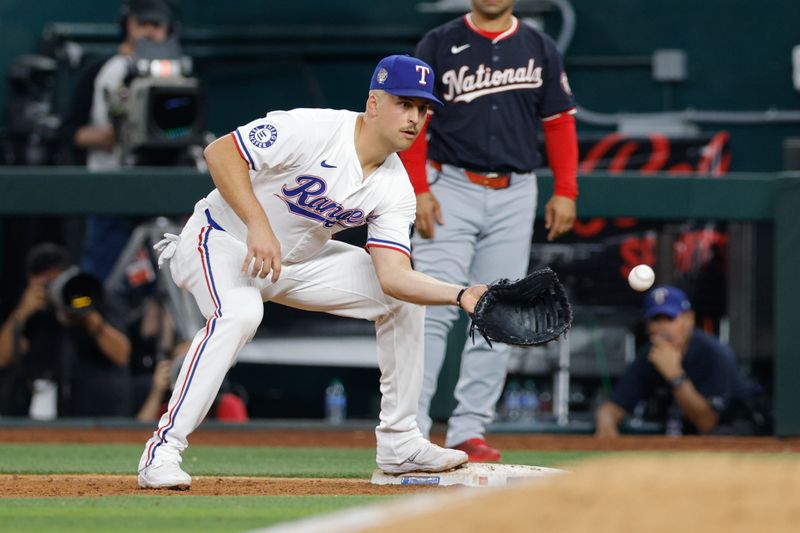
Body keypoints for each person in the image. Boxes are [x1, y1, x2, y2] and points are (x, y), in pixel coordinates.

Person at [136, 54, 493, 490]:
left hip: (293, 263)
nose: (415, 118)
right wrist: (257, 223)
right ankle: (163, 450)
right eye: (405, 104)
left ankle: (400, 442)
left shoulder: (396, 186)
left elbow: (394, 275)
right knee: (241, 313)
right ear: (375, 103)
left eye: (423, 109)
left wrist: (462, 295)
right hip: (219, 240)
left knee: (403, 299)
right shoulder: (315, 129)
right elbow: (221, 152)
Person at [399, 0, 578, 461]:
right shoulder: (438, 42)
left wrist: (566, 190)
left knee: (501, 311)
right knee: (431, 310)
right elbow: (415, 119)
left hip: (515, 190)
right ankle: (410, 432)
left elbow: (559, 123)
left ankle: (468, 430)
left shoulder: (539, 46)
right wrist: (418, 187)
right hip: (449, 185)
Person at [61, 0, 173, 281]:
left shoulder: (177, 73)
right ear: (127, 26)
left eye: (156, 25)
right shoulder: (102, 71)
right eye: (142, 24)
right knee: (102, 274)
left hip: (161, 191)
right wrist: (113, 136)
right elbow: (69, 132)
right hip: (112, 191)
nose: (149, 32)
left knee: (167, 279)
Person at [594, 285, 755, 437]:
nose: (662, 327)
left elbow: (707, 424)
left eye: (669, 319)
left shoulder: (713, 353)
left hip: (739, 436)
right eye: (656, 320)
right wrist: (606, 421)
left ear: (689, 319)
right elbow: (617, 404)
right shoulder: (650, 355)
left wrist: (675, 375)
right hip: (687, 442)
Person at [0, 243, 132, 417]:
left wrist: (86, 314)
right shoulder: (29, 308)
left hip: (95, 405)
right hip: (39, 401)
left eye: (57, 281)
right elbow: (2, 358)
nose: (54, 289)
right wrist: (21, 314)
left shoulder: (89, 294)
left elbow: (122, 355)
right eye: (46, 284)